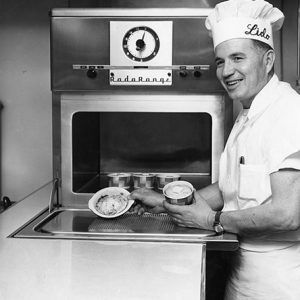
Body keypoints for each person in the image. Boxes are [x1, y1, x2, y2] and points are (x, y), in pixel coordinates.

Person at [129, 0, 300, 299]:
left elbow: (288, 213)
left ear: (268, 59)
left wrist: (212, 220)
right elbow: (233, 187)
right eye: (220, 61)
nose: (227, 71)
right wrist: (167, 203)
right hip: (243, 274)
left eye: (237, 58)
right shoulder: (249, 113)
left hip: (277, 283)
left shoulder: (288, 112)